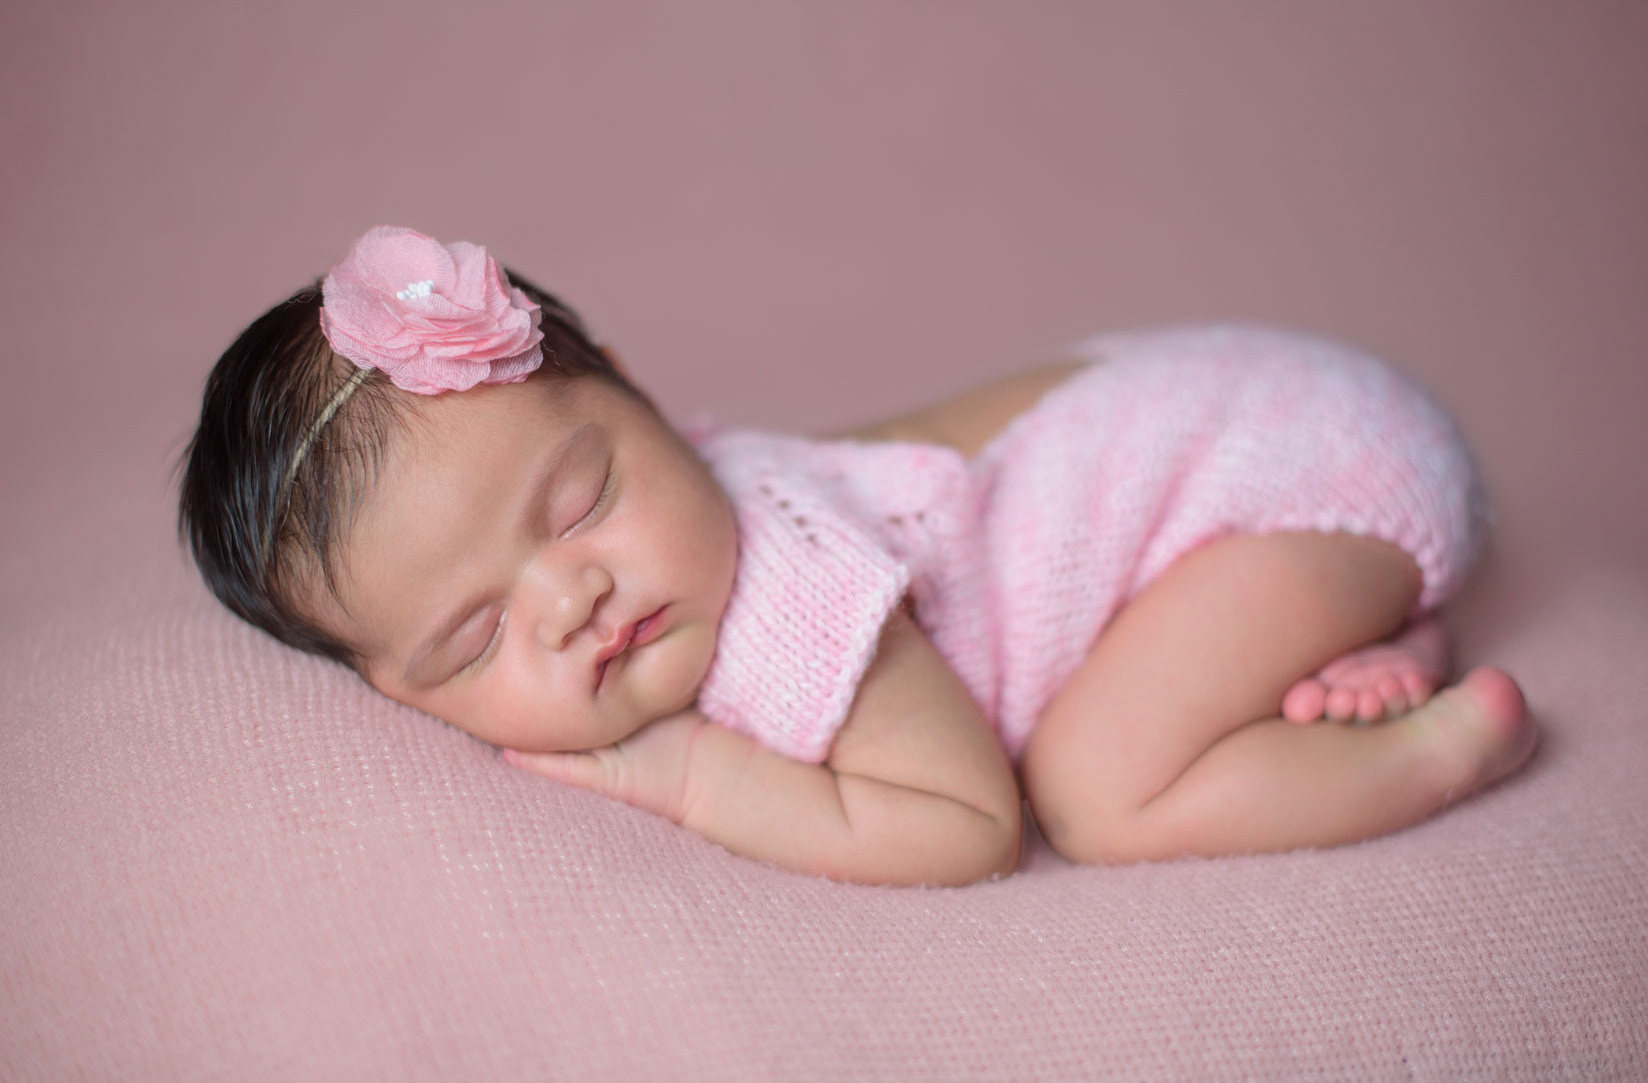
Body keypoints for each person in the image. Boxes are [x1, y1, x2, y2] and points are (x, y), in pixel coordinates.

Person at [178, 225, 1538, 887]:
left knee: (1095, 785)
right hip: (1245, 418)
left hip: (1306, 462)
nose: (572, 597)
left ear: (646, 400)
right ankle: (1363, 637)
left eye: (583, 499)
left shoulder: (794, 600)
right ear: (400, 695)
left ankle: (1436, 748)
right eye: (475, 640)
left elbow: (964, 826)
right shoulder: (693, 511)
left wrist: (688, 770)